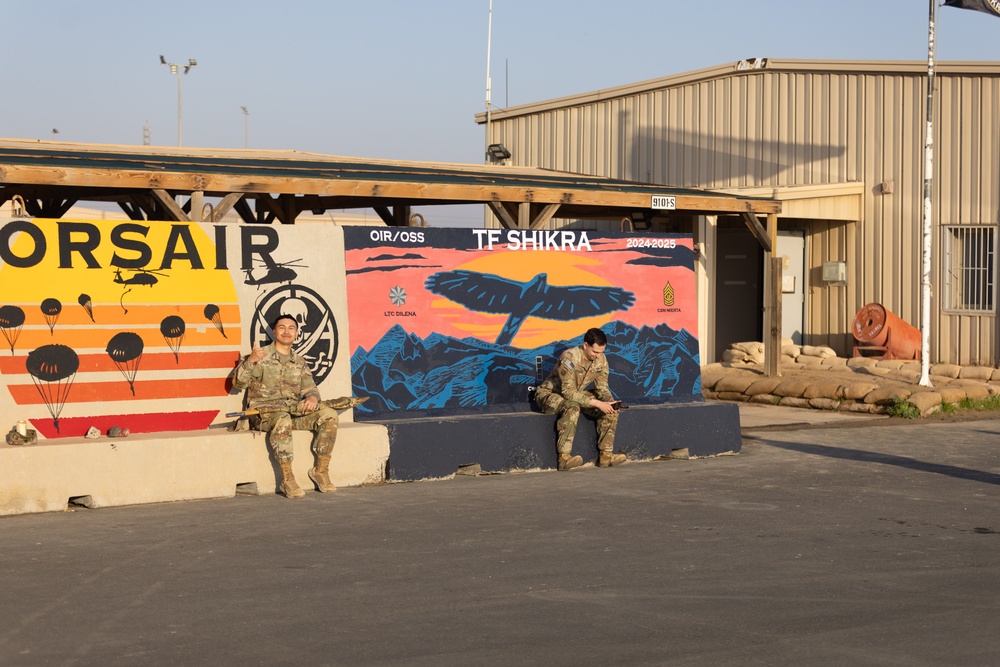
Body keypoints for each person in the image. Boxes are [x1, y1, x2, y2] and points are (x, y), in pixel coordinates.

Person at [233, 314, 341, 498]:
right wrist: (250, 361)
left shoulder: (299, 361)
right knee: (282, 419)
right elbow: (238, 383)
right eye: (281, 327)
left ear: (297, 333)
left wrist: (312, 399)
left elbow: (311, 388)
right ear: (274, 332)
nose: (286, 331)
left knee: (329, 415)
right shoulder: (260, 356)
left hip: (291, 412)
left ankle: (320, 471)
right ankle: (287, 479)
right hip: (265, 415)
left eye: (291, 328)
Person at [534, 327, 627, 471]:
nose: (598, 356)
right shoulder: (569, 358)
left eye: (601, 352)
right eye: (595, 352)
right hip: (549, 395)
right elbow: (568, 393)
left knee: (610, 409)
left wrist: (609, 402)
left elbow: (602, 388)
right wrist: (597, 403)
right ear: (585, 345)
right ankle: (564, 459)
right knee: (572, 406)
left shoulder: (601, 359)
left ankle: (606, 455)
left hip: (575, 394)